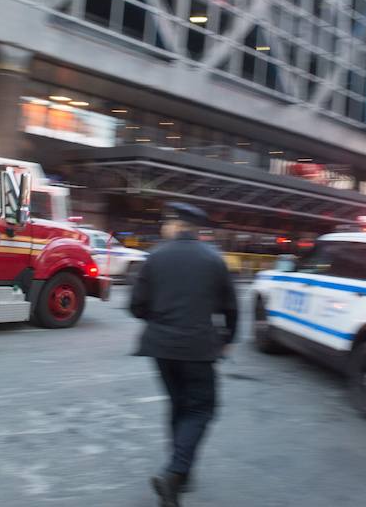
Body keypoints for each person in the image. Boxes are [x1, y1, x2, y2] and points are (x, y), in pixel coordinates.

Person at [129, 202, 239, 507]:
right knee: (201, 409)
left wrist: (162, 318)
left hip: (160, 347)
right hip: (198, 347)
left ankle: (178, 477)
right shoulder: (215, 259)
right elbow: (230, 307)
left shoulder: (155, 257)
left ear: (177, 225)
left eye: (166, 221)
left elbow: (136, 306)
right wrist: (228, 338)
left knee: (179, 406)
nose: (163, 226)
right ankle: (175, 473)